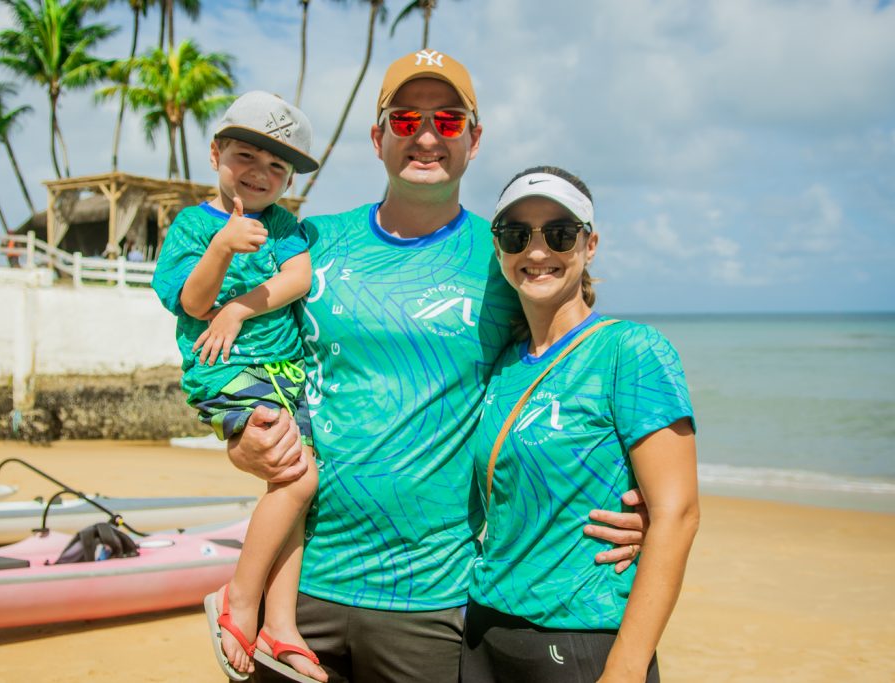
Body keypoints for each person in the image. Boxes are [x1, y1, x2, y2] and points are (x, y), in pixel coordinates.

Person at [214, 51, 650, 683]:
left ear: (474, 139)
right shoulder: (307, 242)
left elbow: (574, 375)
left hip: (436, 600)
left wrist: (636, 511)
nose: (425, 136)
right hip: (297, 584)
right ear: (377, 135)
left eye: (448, 122)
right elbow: (239, 350)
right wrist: (236, 436)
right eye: (406, 118)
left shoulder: (507, 257)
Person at [460, 166, 699, 682]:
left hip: (581, 637)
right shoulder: (500, 365)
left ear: (590, 246)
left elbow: (677, 513)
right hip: (484, 633)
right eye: (517, 235)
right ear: (500, 250)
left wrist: (628, 667)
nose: (538, 251)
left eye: (560, 233)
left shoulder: (629, 351)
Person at [151, 91, 328, 683]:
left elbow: (299, 278)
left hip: (286, 374)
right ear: (215, 153)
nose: (261, 172)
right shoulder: (193, 226)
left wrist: (242, 309)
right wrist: (224, 248)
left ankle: (282, 622)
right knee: (297, 475)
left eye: (277, 166)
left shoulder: (284, 226)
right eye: (246, 154)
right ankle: (241, 600)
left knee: (297, 488)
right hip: (225, 370)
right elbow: (194, 303)